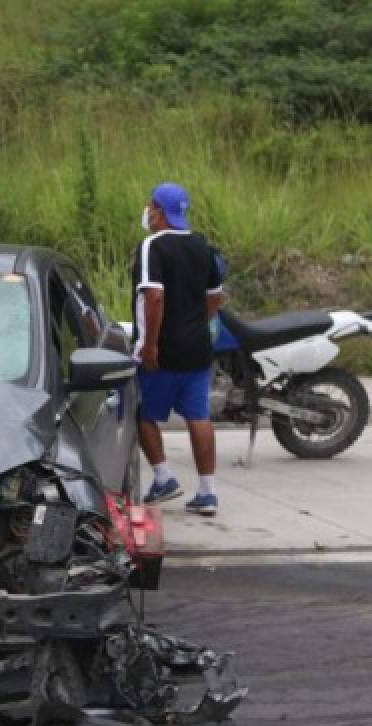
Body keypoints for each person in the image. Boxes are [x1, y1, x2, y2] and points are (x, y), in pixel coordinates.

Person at [132, 182, 224, 516]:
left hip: (163, 351)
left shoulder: (152, 247)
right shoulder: (202, 246)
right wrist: (195, 321)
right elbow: (215, 297)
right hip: (198, 348)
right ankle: (207, 492)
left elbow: (154, 296)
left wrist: (151, 345)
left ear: (158, 210)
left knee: (142, 415)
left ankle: (163, 477)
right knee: (198, 417)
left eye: (150, 206)